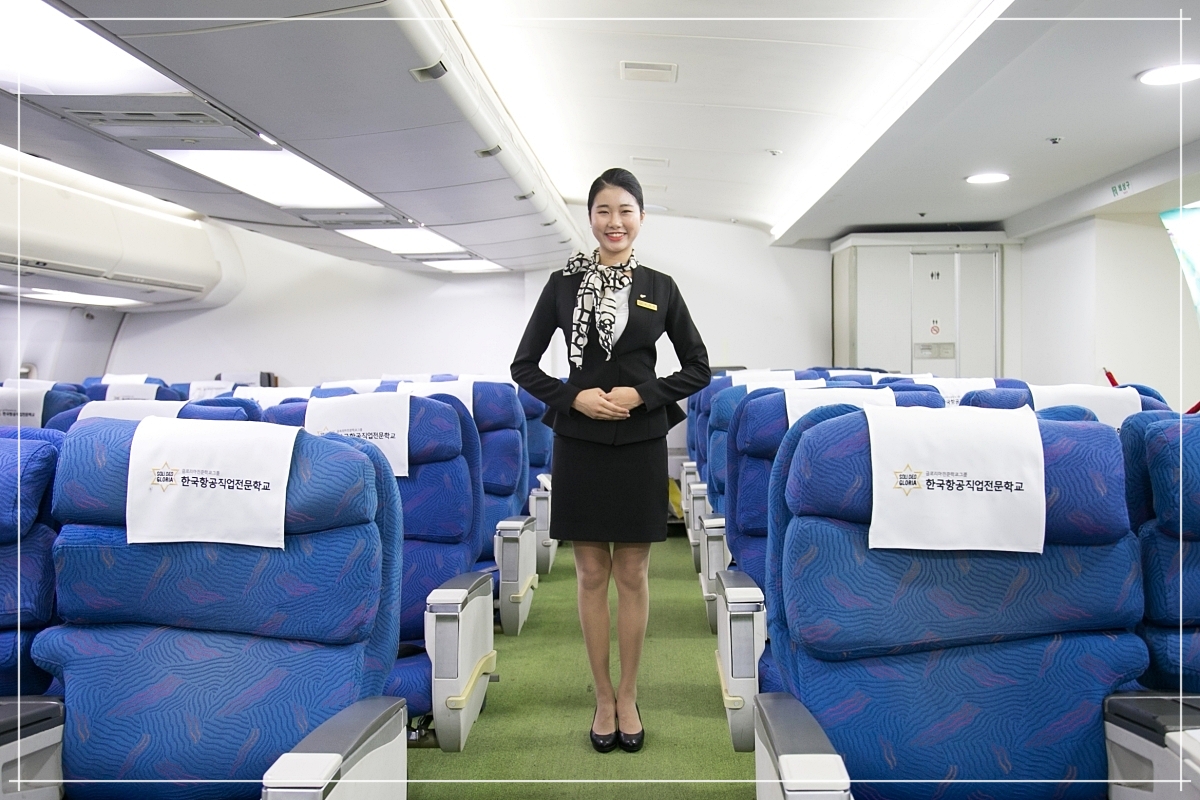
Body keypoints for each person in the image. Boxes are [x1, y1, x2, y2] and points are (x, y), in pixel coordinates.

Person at [510, 168, 710, 753]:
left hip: (641, 442)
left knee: (634, 575)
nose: (614, 221)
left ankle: (629, 693)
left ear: (640, 218)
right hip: (580, 442)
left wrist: (643, 394)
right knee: (591, 575)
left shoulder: (660, 287)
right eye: (603, 210)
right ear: (591, 218)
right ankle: (601, 696)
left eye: (625, 210)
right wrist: (572, 397)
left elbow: (698, 367)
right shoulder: (563, 286)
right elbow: (523, 366)